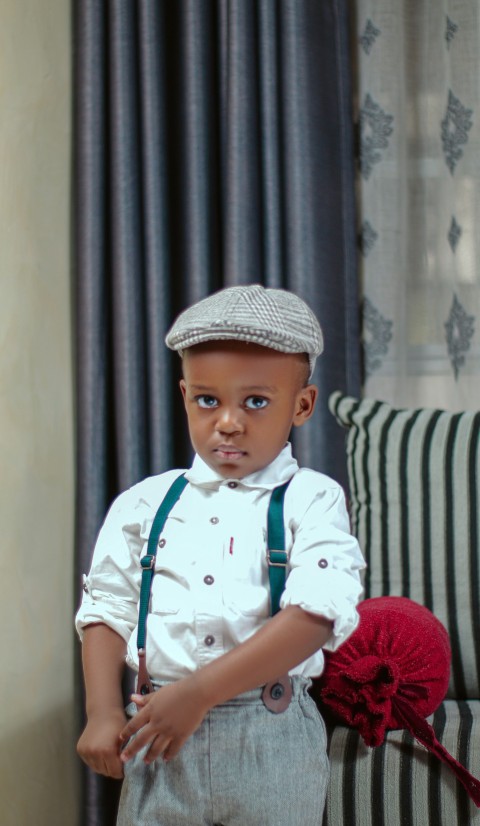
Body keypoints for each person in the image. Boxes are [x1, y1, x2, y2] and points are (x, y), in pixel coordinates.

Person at [76, 284, 365, 826]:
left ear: (302, 405)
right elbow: (106, 605)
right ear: (185, 395)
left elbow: (316, 613)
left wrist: (199, 694)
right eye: (209, 400)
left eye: (255, 401)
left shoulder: (312, 498)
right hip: (156, 732)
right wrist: (102, 710)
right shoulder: (144, 503)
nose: (228, 422)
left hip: (270, 734)